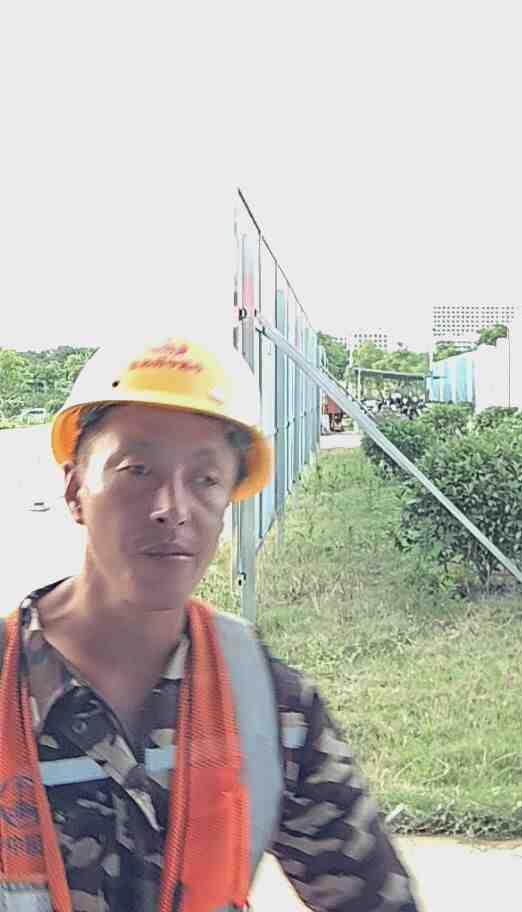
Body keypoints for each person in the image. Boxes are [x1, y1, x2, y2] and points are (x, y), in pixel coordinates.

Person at [0, 335, 421, 912]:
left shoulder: (269, 708)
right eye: (137, 469)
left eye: (205, 480)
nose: (172, 508)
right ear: (75, 491)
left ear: (226, 504)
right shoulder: (9, 685)